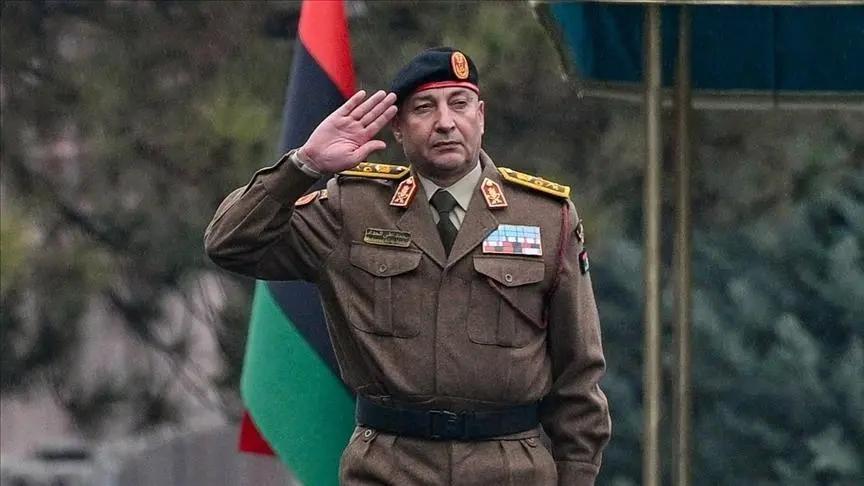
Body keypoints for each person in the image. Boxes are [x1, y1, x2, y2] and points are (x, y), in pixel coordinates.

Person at [205, 47, 610, 486]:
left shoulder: (546, 217)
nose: (445, 122)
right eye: (424, 108)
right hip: (390, 468)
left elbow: (578, 376)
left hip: (509, 471)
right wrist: (304, 165)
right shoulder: (352, 209)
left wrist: (577, 476)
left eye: (459, 104)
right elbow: (229, 243)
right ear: (398, 127)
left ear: (481, 116)